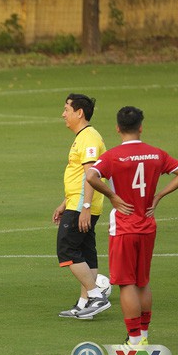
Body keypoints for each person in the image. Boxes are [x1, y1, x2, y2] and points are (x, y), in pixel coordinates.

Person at [86, 106, 178, 345]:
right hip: (147, 225)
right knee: (143, 282)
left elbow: (91, 176)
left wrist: (112, 196)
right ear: (141, 127)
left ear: (117, 128)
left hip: (124, 227)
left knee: (127, 284)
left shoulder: (113, 156)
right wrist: (159, 196)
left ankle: (134, 339)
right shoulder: (156, 154)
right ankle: (143, 334)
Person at [53, 93, 110, 319]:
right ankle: (85, 304)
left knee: (66, 250)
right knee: (86, 252)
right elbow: (80, 176)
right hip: (78, 202)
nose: (63, 114)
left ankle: (96, 295)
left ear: (80, 113)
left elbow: (91, 175)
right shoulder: (84, 136)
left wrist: (84, 206)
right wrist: (64, 203)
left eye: (67, 109)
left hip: (82, 205)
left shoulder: (88, 138)